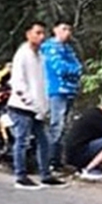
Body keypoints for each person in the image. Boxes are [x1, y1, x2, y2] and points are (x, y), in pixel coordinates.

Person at [7, 21, 67, 190]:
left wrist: (43, 105)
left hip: (38, 108)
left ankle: (45, 175)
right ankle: (20, 176)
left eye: (43, 34)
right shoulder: (22, 54)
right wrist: (29, 101)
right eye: (37, 33)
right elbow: (18, 82)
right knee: (22, 141)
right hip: (22, 107)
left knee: (44, 141)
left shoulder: (41, 56)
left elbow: (41, 83)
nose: (41, 37)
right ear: (28, 34)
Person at [40, 18, 83, 171]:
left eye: (69, 30)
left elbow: (78, 66)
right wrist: (72, 70)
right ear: (55, 30)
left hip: (70, 91)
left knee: (64, 126)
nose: (67, 33)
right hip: (56, 91)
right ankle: (50, 160)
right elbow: (60, 68)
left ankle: (58, 160)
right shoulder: (49, 48)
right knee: (56, 125)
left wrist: (74, 70)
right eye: (64, 29)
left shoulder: (68, 49)